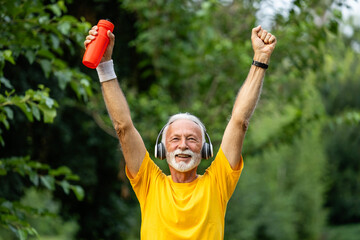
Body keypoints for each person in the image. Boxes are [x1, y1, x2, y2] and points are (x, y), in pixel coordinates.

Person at [84, 23, 276, 240]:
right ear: (162, 148)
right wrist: (104, 65)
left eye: (192, 139)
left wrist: (260, 59)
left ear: (204, 149)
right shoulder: (149, 183)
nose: (183, 145)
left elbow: (239, 121)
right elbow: (123, 127)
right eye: (175, 139)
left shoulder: (217, 184)